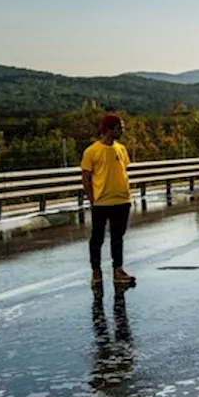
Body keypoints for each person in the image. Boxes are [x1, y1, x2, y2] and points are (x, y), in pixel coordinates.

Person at [81, 114, 136, 288]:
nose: (122, 130)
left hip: (122, 200)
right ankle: (96, 272)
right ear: (109, 129)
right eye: (120, 127)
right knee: (97, 239)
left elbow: (123, 171)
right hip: (102, 202)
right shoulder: (92, 151)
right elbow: (86, 179)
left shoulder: (121, 149)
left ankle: (118, 270)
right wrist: (92, 200)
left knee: (118, 238)